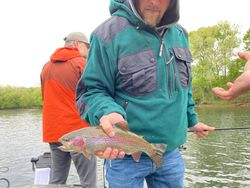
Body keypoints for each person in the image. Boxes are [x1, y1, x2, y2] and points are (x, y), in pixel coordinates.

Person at [76, 0, 214, 187]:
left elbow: (184, 86)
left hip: (171, 152)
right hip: (123, 155)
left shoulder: (181, 34)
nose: (153, 1)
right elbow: (91, 91)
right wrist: (107, 111)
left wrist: (192, 120)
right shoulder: (105, 35)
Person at [40, 32, 97, 187]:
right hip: (78, 133)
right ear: (77, 44)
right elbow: (95, 96)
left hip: (53, 132)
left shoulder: (46, 67)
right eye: (87, 47)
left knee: (57, 180)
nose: (88, 51)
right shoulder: (81, 63)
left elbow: (45, 98)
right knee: (88, 181)